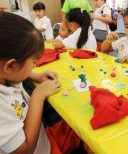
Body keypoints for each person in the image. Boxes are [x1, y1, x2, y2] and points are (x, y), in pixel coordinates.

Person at [0, 12, 81, 153]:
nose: (34, 65)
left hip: (44, 139)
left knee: (80, 127)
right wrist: (38, 96)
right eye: (33, 62)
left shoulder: (7, 74)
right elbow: (24, 150)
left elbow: (13, 73)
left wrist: (33, 75)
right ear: (10, 66)